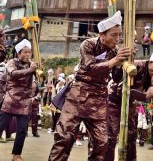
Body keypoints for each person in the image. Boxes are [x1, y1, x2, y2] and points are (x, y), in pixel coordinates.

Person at [48, 11, 133, 161]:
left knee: (101, 142)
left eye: (119, 35)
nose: (117, 38)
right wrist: (115, 61)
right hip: (78, 95)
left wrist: (125, 62)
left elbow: (116, 77)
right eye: (114, 35)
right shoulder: (88, 44)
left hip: (99, 99)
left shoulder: (115, 51)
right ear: (102, 35)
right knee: (64, 138)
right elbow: (90, 67)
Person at [105, 52, 153, 161]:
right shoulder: (136, 67)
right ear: (151, 63)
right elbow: (120, 89)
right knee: (111, 136)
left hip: (131, 103)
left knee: (131, 136)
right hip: (113, 101)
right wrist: (145, 95)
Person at [0, 39, 38, 161]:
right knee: (0, 126)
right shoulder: (11, 62)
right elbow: (13, 74)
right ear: (18, 53)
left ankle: (16, 155)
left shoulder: (31, 64)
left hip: (25, 101)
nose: (27, 55)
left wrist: (35, 69)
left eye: (29, 52)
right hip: (10, 99)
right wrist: (31, 70)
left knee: (22, 130)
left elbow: (35, 81)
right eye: (25, 52)